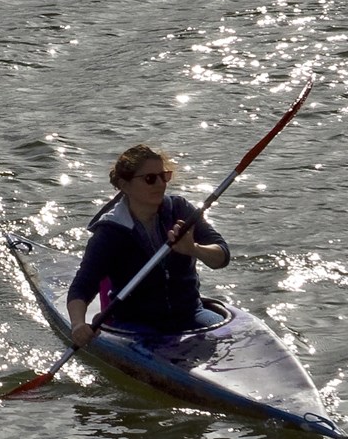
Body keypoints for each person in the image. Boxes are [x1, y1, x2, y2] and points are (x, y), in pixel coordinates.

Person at [67, 143, 228, 344]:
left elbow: (222, 255)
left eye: (164, 176)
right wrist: (78, 325)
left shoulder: (180, 209)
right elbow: (81, 288)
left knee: (227, 338)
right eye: (150, 179)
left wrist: (194, 249)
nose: (160, 184)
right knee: (160, 346)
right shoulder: (110, 232)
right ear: (125, 185)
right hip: (136, 323)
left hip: (190, 313)